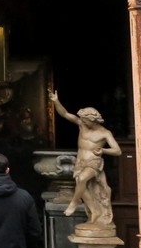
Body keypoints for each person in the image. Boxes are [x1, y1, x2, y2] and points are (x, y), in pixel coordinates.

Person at [49, 90, 120, 234]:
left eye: (86, 120)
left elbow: (117, 150)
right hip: (80, 162)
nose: (83, 122)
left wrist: (103, 151)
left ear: (92, 120)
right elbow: (65, 114)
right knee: (84, 187)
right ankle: (94, 214)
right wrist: (56, 101)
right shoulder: (82, 124)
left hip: (94, 161)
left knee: (82, 179)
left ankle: (74, 202)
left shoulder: (105, 133)